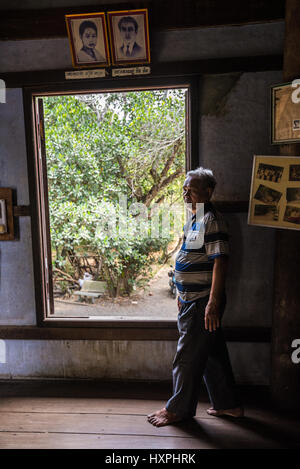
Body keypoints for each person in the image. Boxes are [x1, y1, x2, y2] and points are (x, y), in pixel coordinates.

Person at [147, 167, 243, 427]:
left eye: (191, 188)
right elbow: (190, 257)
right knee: (212, 352)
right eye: (184, 188)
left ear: (208, 191)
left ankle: (178, 409)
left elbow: (220, 262)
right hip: (192, 298)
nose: (185, 193)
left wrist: (212, 302)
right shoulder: (196, 217)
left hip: (203, 300)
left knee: (187, 355)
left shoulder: (211, 219)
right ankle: (228, 405)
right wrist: (181, 292)